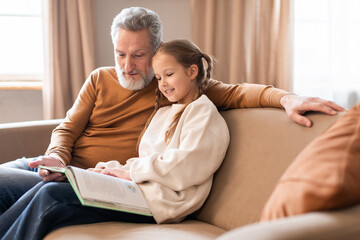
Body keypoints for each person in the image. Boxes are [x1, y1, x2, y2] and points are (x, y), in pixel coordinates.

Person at [0, 5, 343, 230]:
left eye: (138, 55)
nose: (127, 65)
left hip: (103, 180)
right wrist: (58, 156)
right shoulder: (101, 79)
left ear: (157, 54)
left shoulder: (173, 89)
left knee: (40, 197)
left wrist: (287, 98)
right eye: (121, 54)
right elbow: (67, 128)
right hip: (67, 167)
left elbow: (239, 93)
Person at [0, 39, 230, 239]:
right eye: (159, 77)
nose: (163, 84)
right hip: (136, 190)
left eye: (169, 75)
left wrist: (128, 173)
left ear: (192, 72)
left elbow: (185, 166)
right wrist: (107, 170)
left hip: (161, 203)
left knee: (50, 195)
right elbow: (144, 160)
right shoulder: (165, 112)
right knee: (48, 189)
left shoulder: (203, 113)